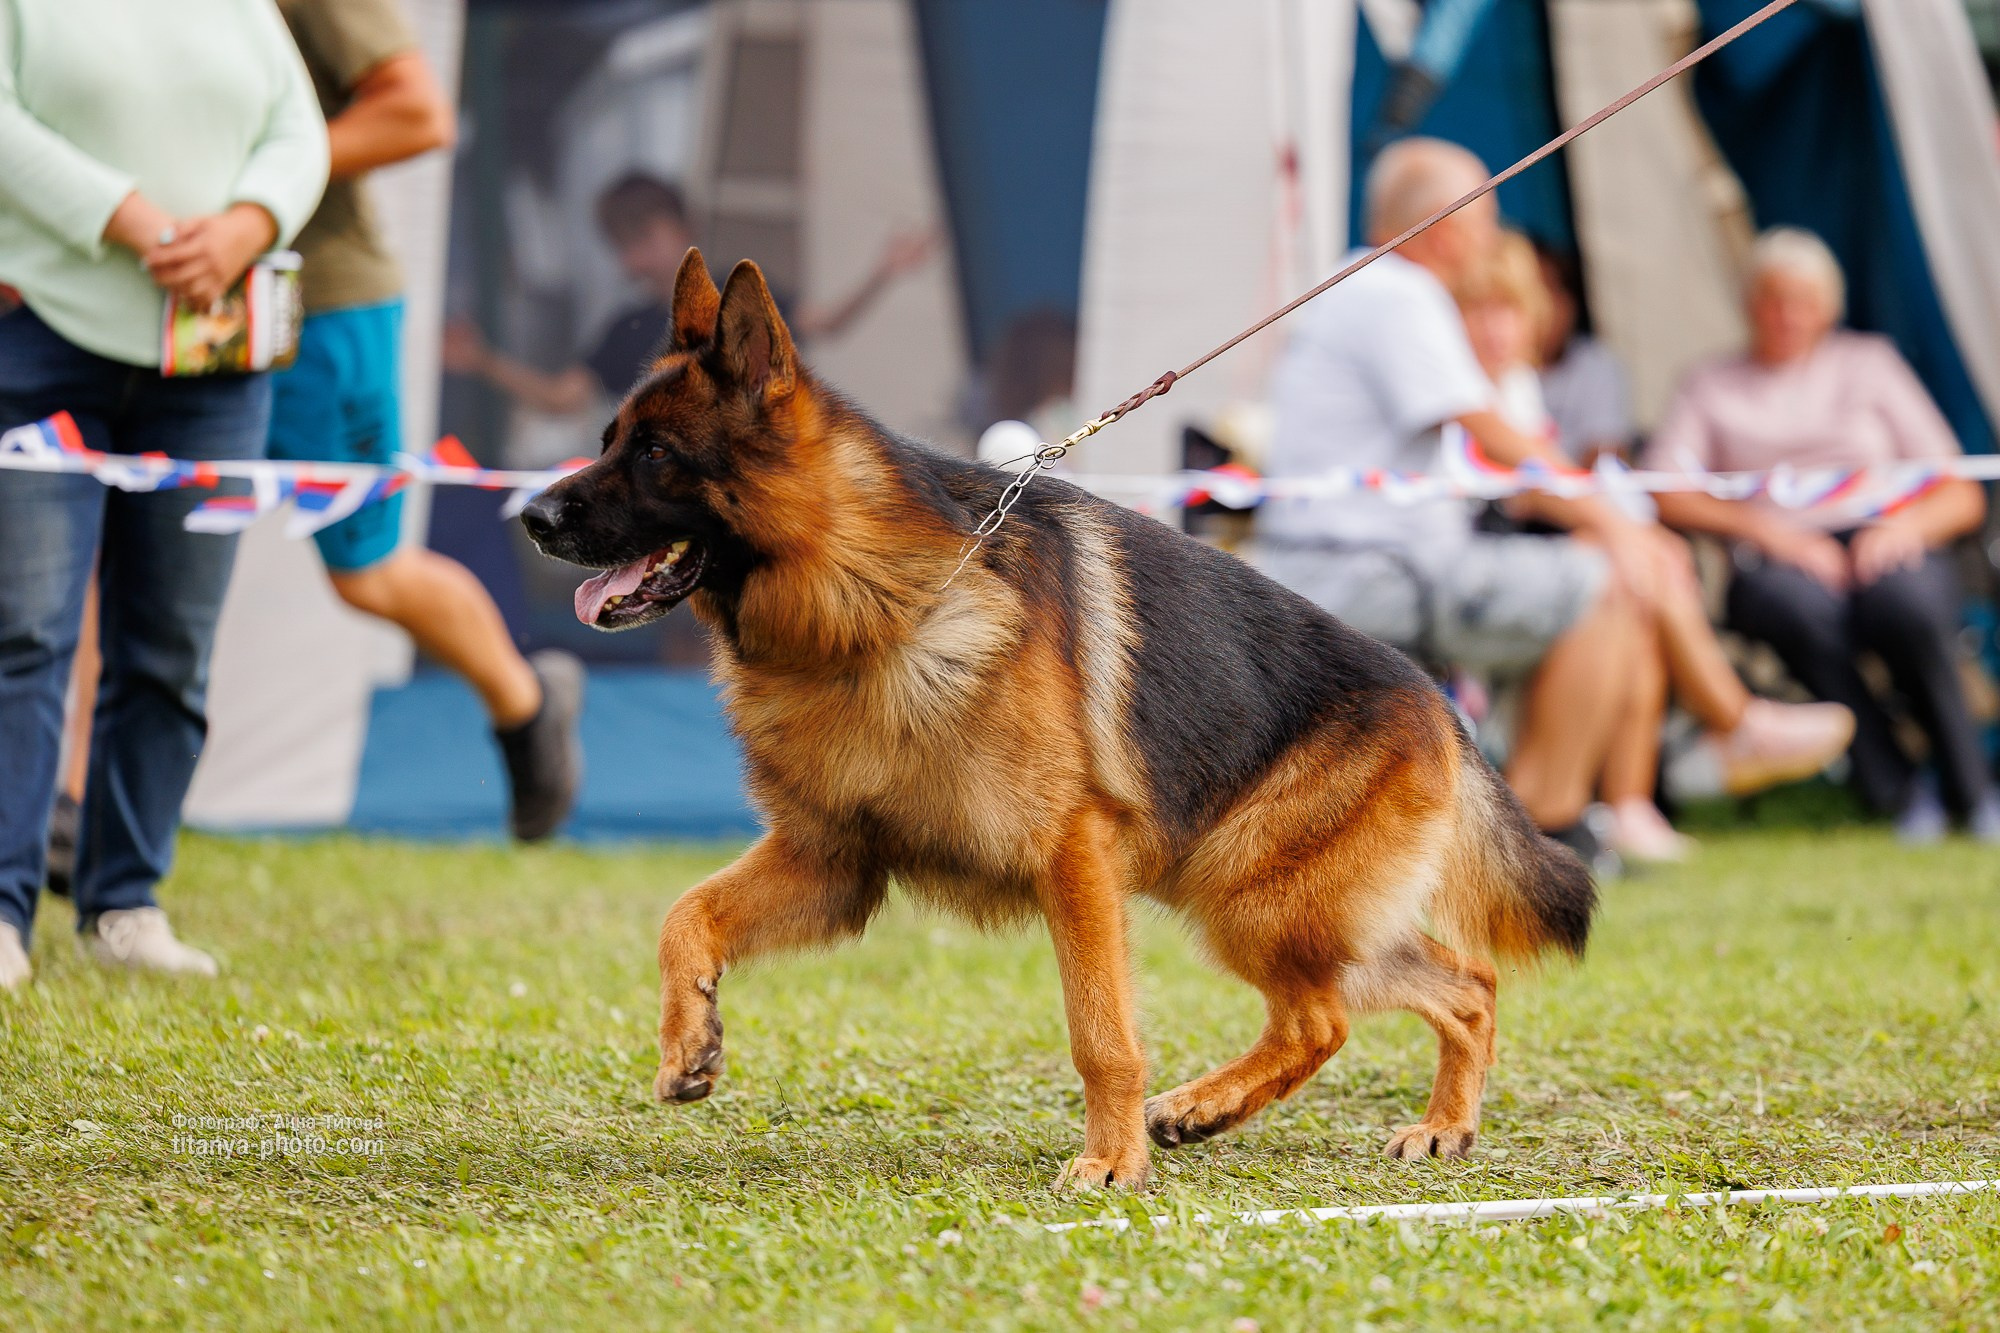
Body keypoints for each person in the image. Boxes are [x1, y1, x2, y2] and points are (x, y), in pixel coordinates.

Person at [1254, 139, 1845, 863]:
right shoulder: (1397, 293)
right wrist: (1613, 521)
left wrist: (1607, 524)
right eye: (1487, 215)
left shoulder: (1356, 284)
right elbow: (1498, 436)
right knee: (1609, 585)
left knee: (1610, 576)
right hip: (1368, 570)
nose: (1492, 235)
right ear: (1448, 225)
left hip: (1346, 564)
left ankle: (1578, 809)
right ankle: (1529, 833)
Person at [0, 0, 330, 988]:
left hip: (216, 364)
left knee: (172, 646)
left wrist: (245, 225)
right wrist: (133, 220)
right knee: (23, 635)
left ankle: (124, 904)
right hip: (41, 336)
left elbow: (298, 131)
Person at [269, 0, 582, 842]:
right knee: (112, 544)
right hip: (148, 305)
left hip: (322, 307)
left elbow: (419, 112)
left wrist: (248, 195)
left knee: (366, 573)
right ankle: (69, 825)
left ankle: (526, 708)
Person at [1454, 231, 1852, 862]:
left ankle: (1631, 802)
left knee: (1641, 579)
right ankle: (1729, 725)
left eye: (1509, 311)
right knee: (1636, 571)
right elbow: (1525, 489)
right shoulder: (1466, 390)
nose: (1497, 329)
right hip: (1470, 573)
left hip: (1513, 559)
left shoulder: (1516, 386)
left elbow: (1546, 483)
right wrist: (1622, 534)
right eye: (1479, 312)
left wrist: (1625, 535)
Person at [1649, 228, 2000, 842]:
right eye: (1771, 298)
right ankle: (1895, 784)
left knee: (1908, 605)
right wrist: (1762, 528)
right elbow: (1664, 486)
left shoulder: (1872, 364)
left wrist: (1903, 525)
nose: (1786, 315)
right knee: (1799, 610)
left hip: (1885, 534)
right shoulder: (1710, 383)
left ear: (1828, 307)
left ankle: (1971, 788)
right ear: (1747, 303)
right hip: (1775, 552)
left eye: (1802, 300)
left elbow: (1961, 488)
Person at [443, 173, 938, 410]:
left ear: (684, 227)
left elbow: (826, 322)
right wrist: (485, 361)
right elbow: (562, 398)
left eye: (644, 237)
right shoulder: (626, 331)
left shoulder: (741, 291)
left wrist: (883, 272)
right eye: (623, 244)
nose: (634, 258)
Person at [1534, 244, 1634, 467]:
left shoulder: (1596, 364)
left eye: (1551, 291)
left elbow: (1605, 455)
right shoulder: (1497, 374)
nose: (1541, 309)